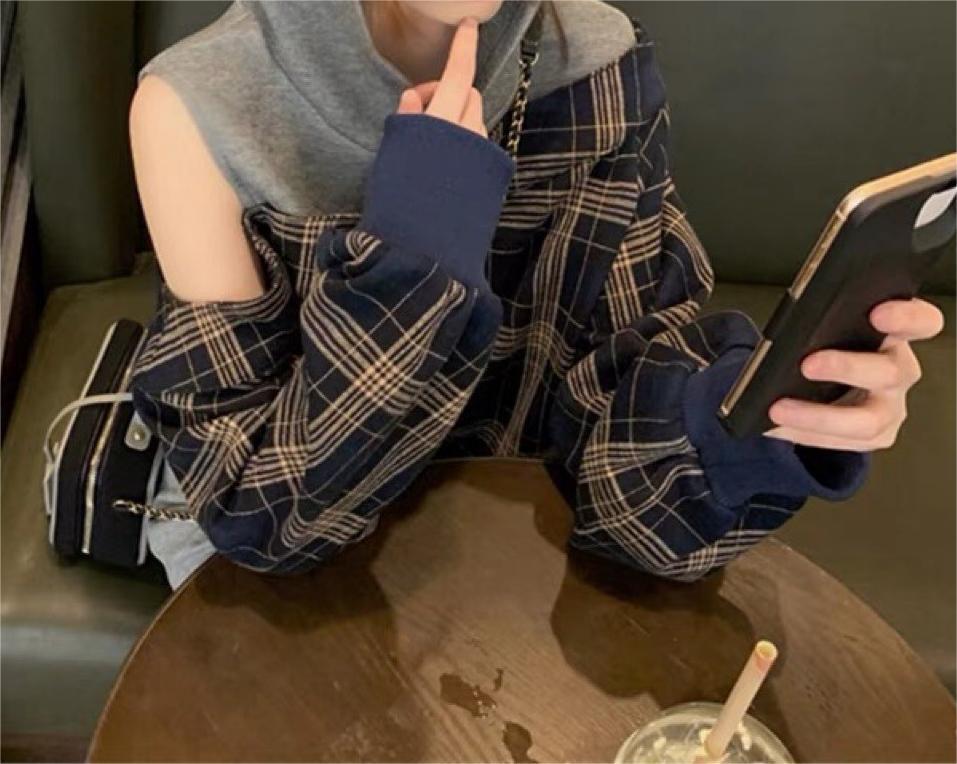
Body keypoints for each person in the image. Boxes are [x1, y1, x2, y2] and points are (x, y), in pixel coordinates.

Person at [128, 0, 944, 590]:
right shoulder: (201, 106)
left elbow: (606, 417)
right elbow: (264, 519)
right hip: (279, 547)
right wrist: (416, 252)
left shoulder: (595, 64)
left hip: (500, 507)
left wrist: (739, 418)